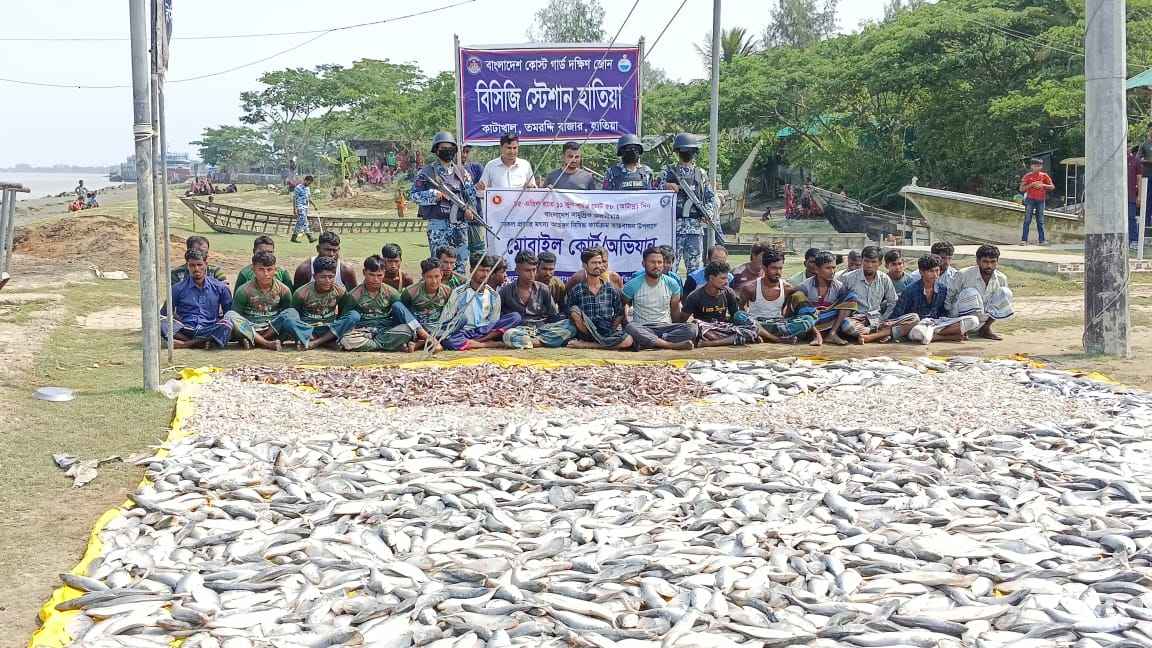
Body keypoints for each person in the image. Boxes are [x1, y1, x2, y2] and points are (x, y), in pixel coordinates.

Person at [411, 131, 477, 275]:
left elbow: (471, 197)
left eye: (450, 148)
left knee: (460, 266)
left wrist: (470, 210)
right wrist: (434, 195)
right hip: (438, 226)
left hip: (459, 226)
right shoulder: (426, 172)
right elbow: (414, 196)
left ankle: (458, 295)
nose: (448, 151)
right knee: (438, 266)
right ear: (436, 150)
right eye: (444, 148)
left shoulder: (462, 172)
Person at [890, 254, 980, 345]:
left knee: (973, 320)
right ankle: (946, 337)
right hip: (918, 326)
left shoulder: (942, 288)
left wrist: (947, 322)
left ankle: (935, 334)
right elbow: (898, 314)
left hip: (936, 324)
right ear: (921, 272)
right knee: (918, 333)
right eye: (931, 271)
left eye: (937, 270)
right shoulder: (910, 290)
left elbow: (943, 311)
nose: (935, 274)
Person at [662, 133, 719, 276]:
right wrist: (665, 186)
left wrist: (708, 213)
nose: (686, 154)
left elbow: (710, 197)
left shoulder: (701, 173)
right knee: (669, 270)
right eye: (683, 151)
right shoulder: (668, 172)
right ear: (677, 152)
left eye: (689, 151)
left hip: (694, 229)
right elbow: (651, 192)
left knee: (695, 272)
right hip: (673, 229)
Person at [438, 254, 522, 350]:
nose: (485, 274)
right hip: (465, 332)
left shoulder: (494, 295)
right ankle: (487, 344)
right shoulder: (458, 293)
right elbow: (446, 319)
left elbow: (493, 321)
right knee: (447, 340)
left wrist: (488, 333)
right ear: (471, 271)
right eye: (481, 270)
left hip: (486, 331)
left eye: (487, 271)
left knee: (515, 317)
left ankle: (479, 341)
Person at [839, 245, 919, 344]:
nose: (869, 265)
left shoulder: (884, 278)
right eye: (866, 261)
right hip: (857, 319)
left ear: (880, 263)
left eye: (873, 262)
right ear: (862, 261)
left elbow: (893, 302)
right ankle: (881, 334)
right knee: (847, 325)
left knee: (914, 318)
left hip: (878, 320)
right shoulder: (848, 278)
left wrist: (885, 319)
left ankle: (871, 336)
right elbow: (840, 302)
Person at [622, 247, 698, 351]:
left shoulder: (672, 283)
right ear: (643, 264)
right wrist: (626, 325)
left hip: (665, 328)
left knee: (692, 328)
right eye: (652, 262)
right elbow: (623, 306)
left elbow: (675, 313)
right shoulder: (633, 285)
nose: (656, 266)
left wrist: (679, 327)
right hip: (643, 327)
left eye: (659, 262)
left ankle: (649, 342)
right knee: (631, 328)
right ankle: (671, 345)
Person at [338, 255, 418, 352]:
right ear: (364, 273)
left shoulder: (391, 292)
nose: (375, 280)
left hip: (386, 330)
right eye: (371, 275)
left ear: (384, 273)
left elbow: (401, 313)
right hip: (363, 332)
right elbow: (346, 319)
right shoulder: (354, 295)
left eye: (379, 275)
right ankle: (386, 345)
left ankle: (373, 345)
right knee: (346, 340)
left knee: (407, 330)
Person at [500, 252, 577, 349]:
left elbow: (553, 315)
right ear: (517, 270)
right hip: (519, 330)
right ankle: (547, 342)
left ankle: (533, 342)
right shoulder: (506, 291)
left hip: (541, 329)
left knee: (570, 327)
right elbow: (500, 319)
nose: (532, 274)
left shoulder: (543, 289)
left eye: (534, 270)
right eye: (527, 271)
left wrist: (560, 324)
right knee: (508, 335)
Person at [162, 249, 236, 349]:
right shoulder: (177, 288)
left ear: (206, 264)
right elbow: (164, 313)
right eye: (192, 265)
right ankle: (201, 343)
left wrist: (218, 322)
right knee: (161, 323)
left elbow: (229, 313)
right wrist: (177, 321)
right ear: (187, 266)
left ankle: (186, 344)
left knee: (227, 324)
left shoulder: (220, 287)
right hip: (185, 329)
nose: (196, 269)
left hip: (209, 328)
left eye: (199, 264)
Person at [738, 249, 816, 343]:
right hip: (758, 323)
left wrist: (815, 333)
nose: (778, 272)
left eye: (780, 268)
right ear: (764, 267)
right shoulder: (750, 288)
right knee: (738, 316)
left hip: (778, 324)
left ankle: (763, 336)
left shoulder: (788, 288)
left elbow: (789, 312)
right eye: (774, 268)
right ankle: (777, 338)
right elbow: (741, 309)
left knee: (808, 319)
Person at [285, 256, 361, 350]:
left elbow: (343, 313)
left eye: (331, 277)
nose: (327, 281)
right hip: (307, 329)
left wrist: (338, 326)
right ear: (314, 276)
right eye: (323, 277)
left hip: (329, 328)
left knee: (354, 315)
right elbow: (295, 315)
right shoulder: (301, 293)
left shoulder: (340, 291)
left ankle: (316, 342)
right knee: (288, 315)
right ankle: (326, 342)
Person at [227, 250, 297, 351]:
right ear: (253, 270)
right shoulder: (243, 290)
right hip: (250, 327)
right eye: (261, 269)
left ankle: (255, 341)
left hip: (272, 327)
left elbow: (286, 312)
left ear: (275, 270)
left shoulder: (284, 290)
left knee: (292, 313)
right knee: (230, 315)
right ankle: (267, 343)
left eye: (269, 269)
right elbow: (237, 314)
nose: (266, 274)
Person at [679, 261, 759, 347]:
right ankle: (736, 339)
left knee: (752, 324)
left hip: (723, 328)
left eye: (727, 278)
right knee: (696, 325)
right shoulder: (695, 296)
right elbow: (682, 320)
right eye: (723, 278)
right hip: (706, 330)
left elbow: (735, 316)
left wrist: (744, 321)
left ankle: (712, 343)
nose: (726, 282)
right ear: (711, 278)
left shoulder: (729, 292)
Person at [566, 248, 633, 350]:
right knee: (574, 310)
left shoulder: (611, 289)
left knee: (629, 340)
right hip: (586, 331)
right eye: (593, 263)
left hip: (606, 330)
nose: (598, 266)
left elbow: (620, 312)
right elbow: (569, 311)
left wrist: (612, 329)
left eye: (599, 262)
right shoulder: (577, 289)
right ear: (584, 265)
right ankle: (599, 343)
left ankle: (588, 345)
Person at [946, 244, 1013, 340]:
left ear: (997, 262)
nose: (989, 265)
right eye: (985, 262)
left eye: (992, 262)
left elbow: (1002, 301)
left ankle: (985, 329)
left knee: (1006, 292)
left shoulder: (1001, 278)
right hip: (959, 315)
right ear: (978, 261)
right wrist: (949, 321)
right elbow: (950, 296)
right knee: (970, 293)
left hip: (984, 315)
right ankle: (964, 330)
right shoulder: (963, 274)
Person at [799, 251, 859, 346]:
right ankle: (816, 335)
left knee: (852, 297)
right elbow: (801, 310)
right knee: (799, 304)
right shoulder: (805, 286)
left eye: (834, 268)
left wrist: (829, 310)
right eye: (828, 268)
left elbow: (847, 305)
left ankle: (832, 333)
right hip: (811, 321)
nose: (832, 272)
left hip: (831, 319)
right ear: (817, 269)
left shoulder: (839, 286)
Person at [395, 259, 454, 352]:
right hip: (417, 328)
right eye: (429, 277)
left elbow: (450, 314)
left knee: (462, 319)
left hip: (437, 327)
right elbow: (405, 313)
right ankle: (429, 339)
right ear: (423, 276)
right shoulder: (411, 292)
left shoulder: (447, 291)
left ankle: (421, 343)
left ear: (441, 275)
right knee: (397, 305)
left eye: (437, 276)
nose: (434, 281)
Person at [293, 231, 358, 290]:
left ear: (339, 249)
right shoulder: (304, 270)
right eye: (327, 250)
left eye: (335, 250)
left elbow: (353, 298)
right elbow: (297, 297)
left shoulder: (346, 270)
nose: (331, 254)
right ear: (318, 249)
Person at [1019, 158, 1054, 245]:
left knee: (1040, 221)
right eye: (1035, 166)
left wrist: (1042, 185)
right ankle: (1024, 240)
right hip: (1030, 199)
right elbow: (1021, 189)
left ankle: (1042, 240)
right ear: (1031, 166)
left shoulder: (1044, 176)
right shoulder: (1027, 176)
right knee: (1027, 220)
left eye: (1039, 166)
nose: (1037, 168)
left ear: (1041, 166)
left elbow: (1052, 186)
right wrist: (1031, 184)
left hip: (1041, 200)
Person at [460, 145, 487, 257]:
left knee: (478, 254)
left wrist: (480, 187)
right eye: (462, 151)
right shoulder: (447, 171)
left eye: (467, 151)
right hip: (457, 221)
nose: (464, 155)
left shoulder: (476, 168)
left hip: (476, 219)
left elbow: (486, 189)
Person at [292, 175, 318, 244]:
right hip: (300, 207)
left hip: (306, 207)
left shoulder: (307, 188)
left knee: (300, 222)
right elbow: (294, 199)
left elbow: (308, 198)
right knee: (304, 221)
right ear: (305, 180)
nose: (309, 184)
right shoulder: (298, 188)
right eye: (309, 183)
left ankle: (293, 237)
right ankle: (310, 237)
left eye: (310, 183)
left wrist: (314, 205)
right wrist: (294, 209)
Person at [1130, 145, 1144, 250]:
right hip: (1120, 196)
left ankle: (1134, 240)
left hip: (1131, 195)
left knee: (1131, 218)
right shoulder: (1119, 161)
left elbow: (1139, 180)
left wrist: (1139, 196)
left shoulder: (1136, 161)